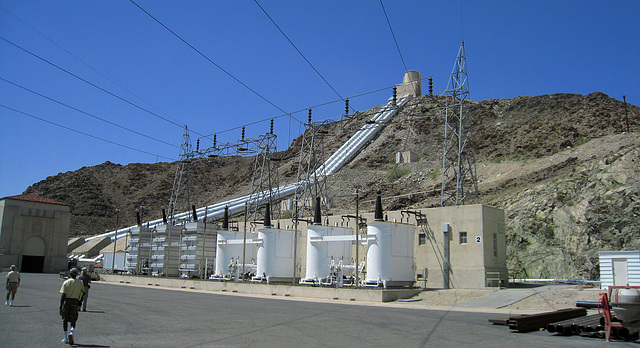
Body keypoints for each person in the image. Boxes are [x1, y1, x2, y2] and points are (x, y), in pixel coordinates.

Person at [59, 268, 84, 345]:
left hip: (67, 301)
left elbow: (63, 294)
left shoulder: (66, 282)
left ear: (70, 274)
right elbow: (82, 293)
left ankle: (65, 337)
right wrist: (80, 302)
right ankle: (71, 332)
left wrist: (61, 306)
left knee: (65, 319)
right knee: (73, 319)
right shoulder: (80, 282)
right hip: (75, 301)